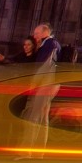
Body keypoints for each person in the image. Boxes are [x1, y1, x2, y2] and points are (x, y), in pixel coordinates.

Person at [20, 23, 63, 151]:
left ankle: (26, 152)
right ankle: (39, 153)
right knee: (43, 120)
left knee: (34, 119)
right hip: (50, 86)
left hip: (44, 86)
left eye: (37, 33)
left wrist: (34, 84)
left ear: (45, 32)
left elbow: (44, 68)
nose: (34, 36)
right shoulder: (51, 45)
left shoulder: (50, 45)